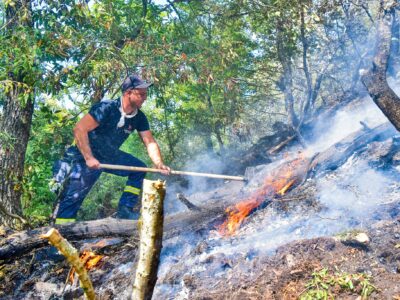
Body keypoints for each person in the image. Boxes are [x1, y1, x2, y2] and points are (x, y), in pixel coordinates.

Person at [52, 74, 170, 224]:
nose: (145, 98)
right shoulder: (106, 108)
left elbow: (150, 142)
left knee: (139, 169)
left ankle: (124, 210)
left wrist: (159, 163)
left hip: (109, 155)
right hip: (84, 157)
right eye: (141, 94)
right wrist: (89, 158)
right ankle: (59, 238)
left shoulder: (139, 117)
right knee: (73, 198)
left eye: (146, 94)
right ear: (128, 93)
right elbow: (79, 129)